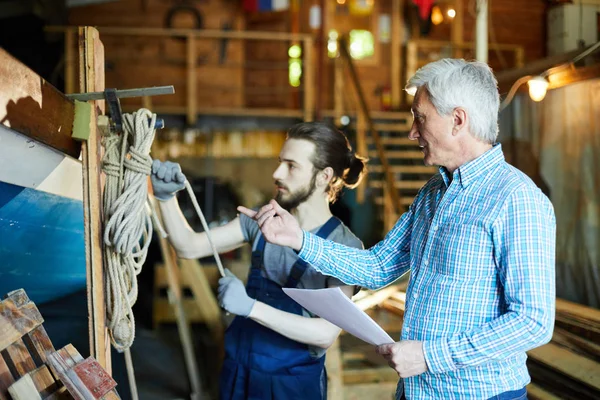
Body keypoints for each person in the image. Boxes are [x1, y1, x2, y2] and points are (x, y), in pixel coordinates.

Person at [241, 59, 556, 400]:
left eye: (420, 118)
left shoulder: (517, 200)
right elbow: (377, 267)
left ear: (458, 120)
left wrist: (428, 356)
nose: (412, 132)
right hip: (414, 391)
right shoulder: (433, 193)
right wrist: (299, 239)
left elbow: (532, 321)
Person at [150, 122, 367, 400]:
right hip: (238, 373)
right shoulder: (262, 220)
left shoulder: (344, 246)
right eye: (280, 162)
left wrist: (251, 307)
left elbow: (325, 333)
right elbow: (188, 247)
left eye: (291, 166)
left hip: (292, 385)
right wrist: (166, 198)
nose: (277, 173)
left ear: (324, 176)